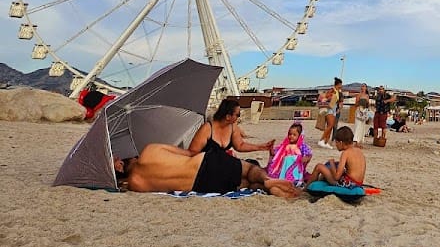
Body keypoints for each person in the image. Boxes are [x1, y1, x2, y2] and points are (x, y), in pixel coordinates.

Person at [115, 145, 300, 198]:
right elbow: (189, 153)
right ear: (123, 163)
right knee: (250, 169)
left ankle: (269, 189)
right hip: (203, 163)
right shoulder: (149, 151)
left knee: (246, 184)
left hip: (200, 185)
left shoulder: (135, 185)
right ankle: (268, 180)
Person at [187, 98, 274, 159]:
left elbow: (240, 146)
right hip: (206, 165)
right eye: (237, 115)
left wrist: (261, 147)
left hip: (222, 163)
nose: (238, 117)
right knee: (250, 172)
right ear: (228, 116)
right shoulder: (207, 128)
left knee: (253, 171)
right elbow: (193, 152)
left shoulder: (233, 127)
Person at [319, 77, 343, 149]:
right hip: (330, 109)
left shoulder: (337, 91)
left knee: (331, 126)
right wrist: (332, 97)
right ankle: (321, 140)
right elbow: (327, 97)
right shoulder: (332, 90)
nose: (341, 86)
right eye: (340, 84)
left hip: (334, 109)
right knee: (330, 125)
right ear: (338, 84)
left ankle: (326, 142)